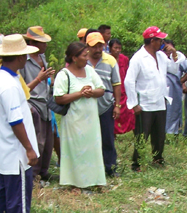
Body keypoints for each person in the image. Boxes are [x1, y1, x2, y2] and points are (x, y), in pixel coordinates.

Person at [0, 34, 40, 213]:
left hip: (4, 149)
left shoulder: (2, 77)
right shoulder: (8, 85)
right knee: (18, 195)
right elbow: (15, 121)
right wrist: (29, 148)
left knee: (5, 191)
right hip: (15, 151)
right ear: (19, 57)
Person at [53, 41, 106, 187]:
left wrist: (91, 92)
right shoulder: (63, 75)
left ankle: (94, 180)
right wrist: (80, 94)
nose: (87, 58)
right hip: (73, 120)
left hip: (90, 121)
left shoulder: (90, 71)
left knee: (91, 149)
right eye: (84, 56)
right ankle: (74, 183)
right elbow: (59, 98)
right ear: (74, 58)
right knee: (76, 150)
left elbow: (101, 89)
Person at [125, 26, 171, 171]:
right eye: (160, 40)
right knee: (142, 135)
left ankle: (158, 158)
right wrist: (134, 103)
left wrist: (174, 55)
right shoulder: (138, 58)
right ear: (152, 41)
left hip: (160, 100)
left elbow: (173, 69)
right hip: (145, 103)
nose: (162, 43)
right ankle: (136, 163)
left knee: (159, 135)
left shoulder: (162, 56)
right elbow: (129, 81)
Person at [19, 26, 56, 181]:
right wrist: (39, 79)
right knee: (37, 141)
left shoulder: (42, 58)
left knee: (49, 141)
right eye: (42, 42)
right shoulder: (24, 61)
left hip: (46, 103)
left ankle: (44, 172)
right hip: (33, 104)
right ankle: (33, 175)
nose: (45, 45)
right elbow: (23, 89)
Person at [86, 32, 121, 177]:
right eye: (94, 46)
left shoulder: (110, 60)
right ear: (87, 46)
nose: (98, 49)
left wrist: (117, 105)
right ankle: (90, 167)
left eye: (101, 45)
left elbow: (116, 84)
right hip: (86, 107)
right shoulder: (82, 60)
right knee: (88, 138)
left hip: (105, 106)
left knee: (107, 138)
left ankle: (110, 167)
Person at [163, 39, 187, 135]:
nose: (167, 50)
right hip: (161, 90)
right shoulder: (159, 57)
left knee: (174, 111)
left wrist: (181, 81)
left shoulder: (179, 57)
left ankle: (174, 132)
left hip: (174, 90)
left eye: (169, 48)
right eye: (165, 48)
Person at [109, 38, 135, 135]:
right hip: (112, 89)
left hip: (124, 89)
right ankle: (113, 133)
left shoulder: (124, 59)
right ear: (110, 48)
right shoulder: (107, 59)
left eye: (119, 48)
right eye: (115, 48)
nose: (117, 50)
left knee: (128, 113)